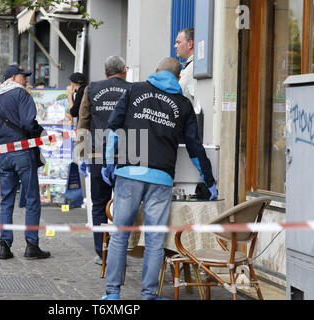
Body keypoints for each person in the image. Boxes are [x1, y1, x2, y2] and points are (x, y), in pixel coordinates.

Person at [100, 57, 218, 300]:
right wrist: (210, 180)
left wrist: (109, 162)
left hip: (129, 172)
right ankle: (149, 295)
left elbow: (114, 128)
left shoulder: (134, 89)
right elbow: (195, 148)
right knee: (154, 240)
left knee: (120, 234)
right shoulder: (184, 105)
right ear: (177, 78)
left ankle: (112, 293)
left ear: (155, 71)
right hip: (161, 177)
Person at [0, 64, 50, 260]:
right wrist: (40, 133)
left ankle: (4, 245)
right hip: (21, 152)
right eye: (23, 77)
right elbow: (28, 123)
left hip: (1, 154)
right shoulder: (21, 95)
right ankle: (32, 245)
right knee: (32, 199)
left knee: (6, 201)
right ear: (13, 78)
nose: (26, 80)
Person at [77, 56, 132, 266]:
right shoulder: (132, 89)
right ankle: (120, 252)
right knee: (123, 205)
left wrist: (81, 155)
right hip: (126, 155)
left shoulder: (91, 89)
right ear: (124, 70)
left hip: (97, 154)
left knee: (99, 204)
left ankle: (102, 253)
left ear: (105, 72)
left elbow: (83, 122)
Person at [174, 28, 196, 106]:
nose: (175, 46)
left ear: (190, 44)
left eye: (178, 42)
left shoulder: (195, 68)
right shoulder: (189, 67)